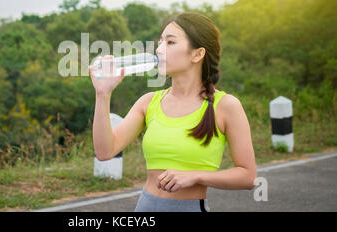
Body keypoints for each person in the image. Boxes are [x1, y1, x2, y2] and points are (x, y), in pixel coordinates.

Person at [88, 12, 257, 212]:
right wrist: (102, 94)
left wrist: (195, 176)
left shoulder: (226, 106)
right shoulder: (148, 102)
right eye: (160, 43)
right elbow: (105, 152)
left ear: (197, 54)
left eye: (170, 43)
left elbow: (248, 176)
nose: (159, 50)